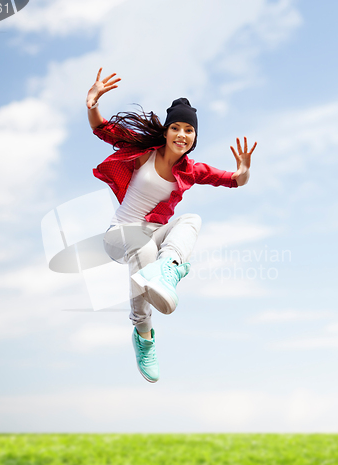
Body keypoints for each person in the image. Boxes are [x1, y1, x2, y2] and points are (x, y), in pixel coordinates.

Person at [86, 68, 257, 384]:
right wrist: (92, 103)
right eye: (175, 127)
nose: (182, 134)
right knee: (142, 246)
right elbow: (101, 128)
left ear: (194, 138)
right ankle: (144, 336)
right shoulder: (142, 152)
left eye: (189, 130)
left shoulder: (191, 170)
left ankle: (169, 268)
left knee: (191, 220)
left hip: (153, 234)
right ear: (165, 133)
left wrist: (244, 171)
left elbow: (233, 181)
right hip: (120, 235)